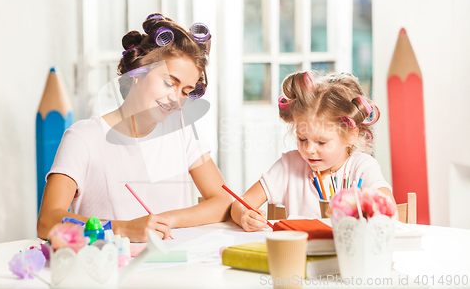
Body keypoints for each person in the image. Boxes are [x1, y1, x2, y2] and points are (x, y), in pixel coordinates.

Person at [37, 13, 232, 242]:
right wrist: (122, 229)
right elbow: (48, 220)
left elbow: (223, 200)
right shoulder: (84, 138)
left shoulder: (181, 130)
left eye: (186, 92)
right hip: (112, 270)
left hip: (174, 269)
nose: (176, 99)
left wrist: (165, 221)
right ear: (139, 72)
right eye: (170, 82)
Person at [231, 71, 396, 232]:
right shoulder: (290, 165)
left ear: (351, 135)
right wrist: (244, 215)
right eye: (302, 139)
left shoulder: (362, 167)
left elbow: (387, 206)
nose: (309, 149)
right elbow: (240, 203)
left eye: (321, 142)